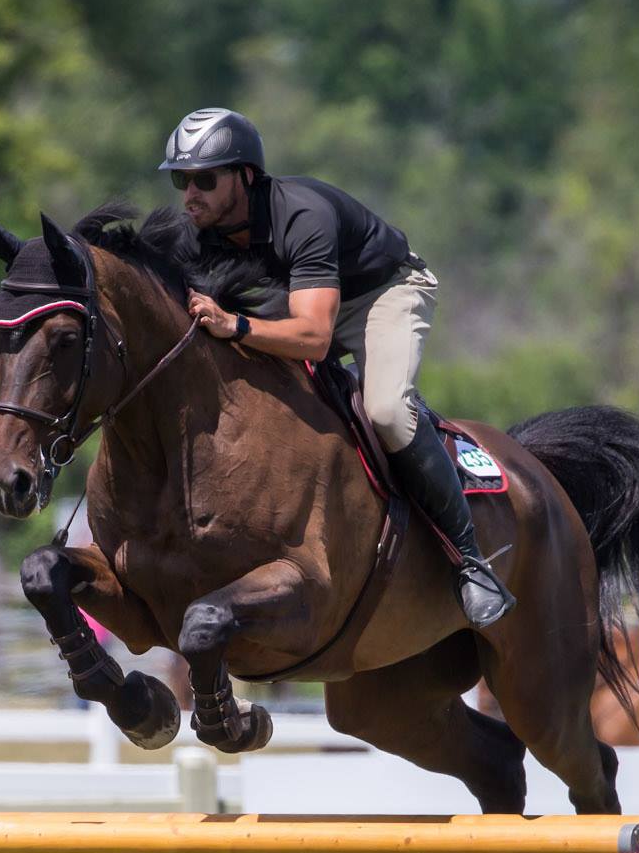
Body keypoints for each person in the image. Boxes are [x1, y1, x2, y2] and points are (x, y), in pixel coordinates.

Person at [161, 107, 513, 627]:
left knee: (388, 411)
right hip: (307, 299)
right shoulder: (199, 232)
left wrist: (235, 327)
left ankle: (471, 563)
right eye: (181, 180)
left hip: (383, 293)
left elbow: (313, 336)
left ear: (246, 177)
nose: (191, 194)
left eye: (205, 180)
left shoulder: (301, 215)